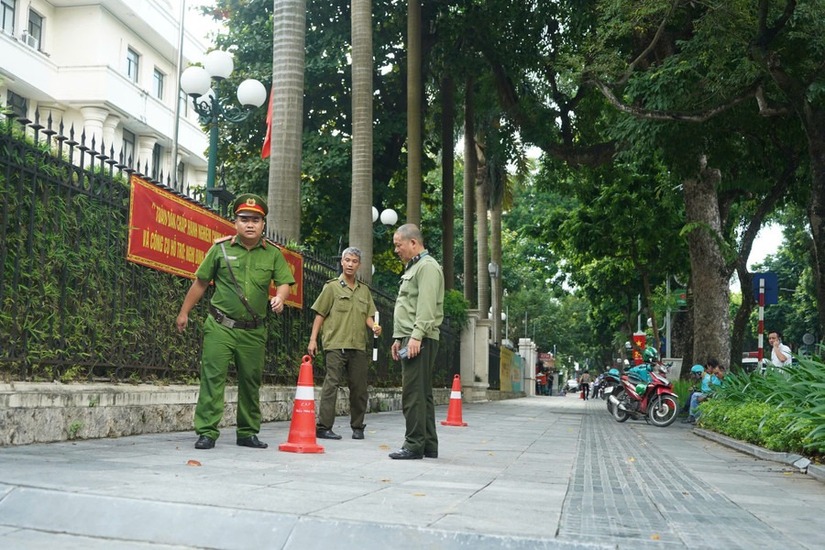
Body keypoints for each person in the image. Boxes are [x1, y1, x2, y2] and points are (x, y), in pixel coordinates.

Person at [176, 193, 295, 450]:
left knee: (251, 380)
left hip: (253, 331)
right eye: (244, 219)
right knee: (213, 377)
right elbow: (200, 282)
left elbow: (284, 281)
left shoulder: (273, 255)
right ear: (235, 222)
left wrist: (280, 297)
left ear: (263, 224)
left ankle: (247, 432)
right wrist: (184, 312)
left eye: (255, 220)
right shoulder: (219, 249)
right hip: (220, 325)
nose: (249, 224)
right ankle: (207, 431)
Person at [307, 247, 382, 440]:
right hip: (335, 344)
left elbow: (368, 316)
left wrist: (374, 326)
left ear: (359, 265)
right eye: (347, 260)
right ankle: (323, 427)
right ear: (342, 262)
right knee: (331, 384)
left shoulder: (364, 290)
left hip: (358, 345)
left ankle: (358, 426)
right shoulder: (331, 287)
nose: (350, 264)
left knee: (359, 387)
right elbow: (320, 314)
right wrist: (313, 340)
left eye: (354, 261)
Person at [388, 224, 444, 460]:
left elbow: (426, 307)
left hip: (419, 339)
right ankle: (428, 444)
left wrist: (416, 336)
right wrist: (399, 337)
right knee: (423, 394)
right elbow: (409, 307)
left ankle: (413, 444)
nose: (396, 250)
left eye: (398, 245)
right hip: (411, 337)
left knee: (412, 393)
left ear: (413, 243)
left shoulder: (427, 267)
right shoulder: (416, 267)